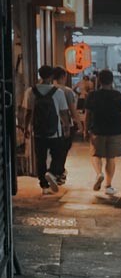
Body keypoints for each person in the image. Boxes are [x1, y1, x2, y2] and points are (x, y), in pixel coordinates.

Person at [21, 65, 71, 194]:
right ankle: (52, 172)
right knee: (58, 155)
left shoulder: (30, 91)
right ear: (52, 76)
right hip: (55, 132)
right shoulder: (58, 92)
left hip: (38, 132)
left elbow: (28, 112)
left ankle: (44, 186)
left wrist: (26, 128)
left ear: (40, 75)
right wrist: (66, 127)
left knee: (40, 158)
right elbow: (64, 113)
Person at [84, 69, 121, 196]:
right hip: (115, 131)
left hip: (97, 130)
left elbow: (87, 114)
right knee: (111, 158)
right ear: (112, 80)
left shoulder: (92, 95)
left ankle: (99, 174)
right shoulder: (117, 95)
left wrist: (85, 129)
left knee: (95, 155)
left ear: (99, 80)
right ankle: (108, 186)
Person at [51, 67, 79, 185]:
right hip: (65, 124)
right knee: (63, 150)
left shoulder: (48, 90)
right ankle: (57, 173)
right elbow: (72, 110)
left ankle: (54, 172)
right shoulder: (67, 91)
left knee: (54, 150)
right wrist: (79, 123)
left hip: (50, 124)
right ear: (63, 76)